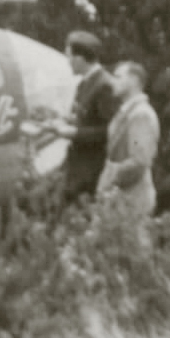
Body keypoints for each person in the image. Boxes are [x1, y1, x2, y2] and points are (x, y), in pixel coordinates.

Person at [57, 28, 119, 213]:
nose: (67, 62)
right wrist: (61, 122)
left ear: (79, 58)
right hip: (78, 171)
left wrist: (74, 133)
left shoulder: (104, 85)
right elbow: (85, 118)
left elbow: (109, 130)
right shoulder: (85, 83)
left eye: (68, 56)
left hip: (91, 173)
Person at [98, 61, 160, 225]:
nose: (112, 81)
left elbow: (139, 162)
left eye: (118, 77)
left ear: (133, 80)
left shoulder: (141, 115)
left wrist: (109, 179)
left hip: (131, 201)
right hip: (119, 201)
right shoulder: (128, 112)